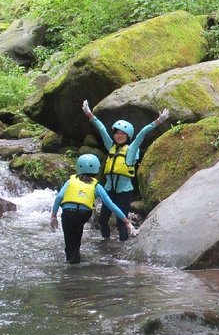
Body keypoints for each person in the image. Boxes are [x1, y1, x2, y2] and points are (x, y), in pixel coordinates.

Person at [82, 100, 169, 241]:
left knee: (121, 222)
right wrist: (89, 113)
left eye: (123, 134)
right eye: (117, 133)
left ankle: (122, 251)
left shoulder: (130, 150)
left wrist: (158, 121)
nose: (119, 136)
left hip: (124, 191)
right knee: (103, 219)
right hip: (109, 189)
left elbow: (141, 134)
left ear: (128, 136)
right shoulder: (110, 146)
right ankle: (106, 242)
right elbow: (102, 130)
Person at [50, 154, 136, 264]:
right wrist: (127, 222)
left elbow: (59, 197)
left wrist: (53, 216)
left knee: (69, 239)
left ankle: (71, 261)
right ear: (96, 170)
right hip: (84, 214)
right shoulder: (97, 186)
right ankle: (75, 257)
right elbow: (111, 205)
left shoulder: (70, 181)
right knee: (77, 233)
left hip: (68, 213)